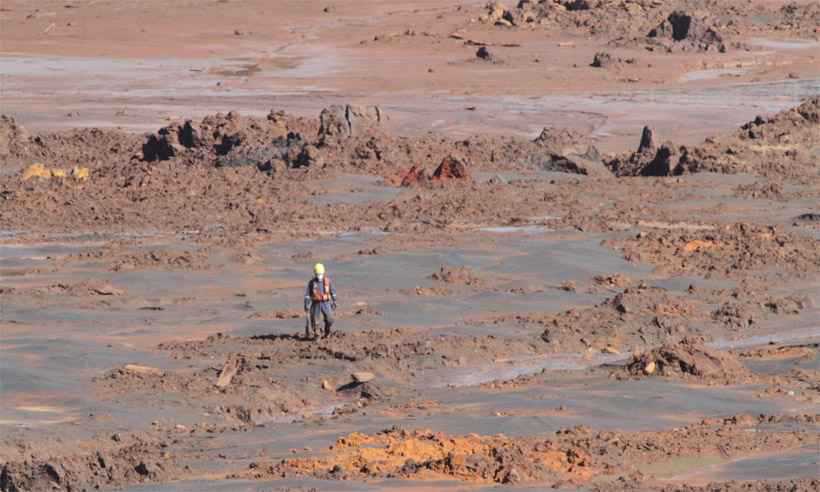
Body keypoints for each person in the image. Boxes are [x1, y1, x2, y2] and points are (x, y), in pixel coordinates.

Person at [304, 263, 337, 339]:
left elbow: (333, 292)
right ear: (315, 273)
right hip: (316, 304)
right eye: (318, 274)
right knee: (315, 321)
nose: (319, 275)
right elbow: (307, 295)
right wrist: (306, 304)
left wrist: (334, 301)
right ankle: (317, 335)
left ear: (323, 273)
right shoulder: (312, 283)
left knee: (330, 319)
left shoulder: (328, 281)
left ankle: (327, 330)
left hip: (326, 303)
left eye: (320, 274)